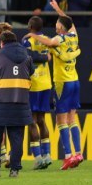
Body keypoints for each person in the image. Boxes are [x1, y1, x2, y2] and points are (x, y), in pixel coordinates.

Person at [29, 0, 85, 170]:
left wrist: (32, 35)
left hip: (62, 83)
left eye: (57, 24)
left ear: (61, 27)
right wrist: (59, 10)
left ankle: (68, 156)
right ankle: (78, 153)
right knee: (72, 119)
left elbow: (50, 43)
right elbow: (70, 23)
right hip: (75, 80)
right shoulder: (74, 36)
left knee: (61, 121)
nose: (55, 26)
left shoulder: (59, 39)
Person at [0, 30, 35, 177]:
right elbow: (31, 72)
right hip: (20, 104)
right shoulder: (27, 58)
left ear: (2, 43)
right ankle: (15, 170)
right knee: (17, 139)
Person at [23, 16, 56, 170]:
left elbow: (29, 56)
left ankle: (38, 158)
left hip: (33, 85)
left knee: (31, 121)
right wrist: (46, 57)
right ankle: (47, 155)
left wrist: (42, 57)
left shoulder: (27, 40)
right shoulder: (47, 40)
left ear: (30, 26)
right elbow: (51, 54)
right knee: (42, 120)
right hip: (46, 84)